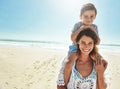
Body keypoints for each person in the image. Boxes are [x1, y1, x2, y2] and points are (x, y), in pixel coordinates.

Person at [63, 2, 107, 85]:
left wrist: (92, 30)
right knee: (68, 63)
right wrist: (81, 29)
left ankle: (98, 82)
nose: (89, 19)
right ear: (81, 16)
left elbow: (97, 42)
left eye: (92, 16)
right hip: (75, 48)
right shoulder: (77, 25)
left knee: (104, 62)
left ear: (95, 17)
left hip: (90, 49)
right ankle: (64, 83)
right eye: (86, 16)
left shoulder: (95, 27)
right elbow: (72, 38)